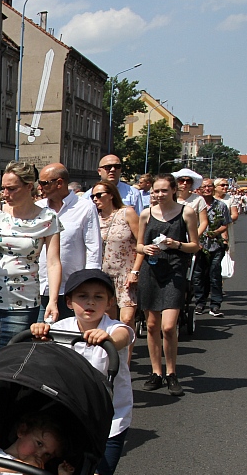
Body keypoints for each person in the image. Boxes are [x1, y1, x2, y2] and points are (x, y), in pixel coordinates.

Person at [31, 269, 134, 475]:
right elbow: (42, 343)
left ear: (109, 302)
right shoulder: (61, 328)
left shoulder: (114, 327)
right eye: (83, 297)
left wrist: (107, 339)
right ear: (70, 301)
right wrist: (39, 330)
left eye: (98, 297)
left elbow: (123, 336)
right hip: (73, 417)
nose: (90, 303)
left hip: (110, 419)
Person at [0, 162, 61, 368]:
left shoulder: (47, 218)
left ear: (29, 187)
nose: (5, 194)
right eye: (3, 188)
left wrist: (53, 301)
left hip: (24, 301)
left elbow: (53, 262)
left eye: (12, 188)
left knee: (14, 360)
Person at [136, 174, 201, 396]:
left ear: (174, 190)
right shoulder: (146, 214)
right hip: (151, 272)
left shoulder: (186, 212)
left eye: (164, 190)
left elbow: (195, 245)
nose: (160, 194)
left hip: (174, 272)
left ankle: (172, 373)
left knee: (169, 326)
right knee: (152, 326)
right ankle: (156, 372)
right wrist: (146, 249)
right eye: (156, 191)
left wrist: (177, 244)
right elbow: (138, 245)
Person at [37, 163, 102, 321]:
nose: (39, 188)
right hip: (38, 287)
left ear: (59, 183)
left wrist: (90, 284)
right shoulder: (38, 208)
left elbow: (93, 248)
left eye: (44, 183)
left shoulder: (85, 208)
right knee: (39, 333)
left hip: (71, 289)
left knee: (68, 333)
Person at [91, 179, 143, 333]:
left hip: (125, 273)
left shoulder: (127, 213)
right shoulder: (94, 217)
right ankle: (114, 348)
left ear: (111, 195)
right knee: (109, 320)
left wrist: (135, 271)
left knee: (126, 319)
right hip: (104, 274)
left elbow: (141, 244)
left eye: (99, 195)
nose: (95, 199)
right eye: (93, 196)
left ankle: (127, 347)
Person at [193, 179, 230, 317]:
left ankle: (215, 305)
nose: (207, 189)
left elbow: (225, 223)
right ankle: (200, 302)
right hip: (199, 246)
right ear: (199, 189)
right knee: (198, 275)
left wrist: (216, 233)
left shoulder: (221, 205)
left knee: (214, 274)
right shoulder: (195, 204)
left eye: (210, 186)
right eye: (204, 187)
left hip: (216, 245)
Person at [172, 168, 209, 237]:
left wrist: (194, 237)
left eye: (188, 181)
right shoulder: (170, 198)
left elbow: (204, 222)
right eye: (181, 180)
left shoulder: (199, 199)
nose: (185, 183)